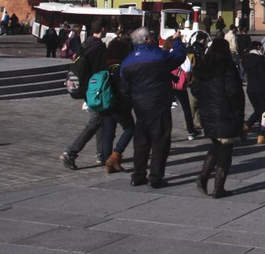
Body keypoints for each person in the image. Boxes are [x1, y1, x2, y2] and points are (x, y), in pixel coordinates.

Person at [120, 27, 186, 188]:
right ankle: (155, 177)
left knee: (141, 143)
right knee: (160, 141)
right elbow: (178, 57)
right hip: (159, 104)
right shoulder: (157, 55)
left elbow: (124, 89)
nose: (154, 37)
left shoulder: (127, 61)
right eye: (151, 35)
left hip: (140, 107)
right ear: (146, 39)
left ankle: (138, 175)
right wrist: (177, 41)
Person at [194, 38, 245, 198]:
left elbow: (195, 90)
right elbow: (233, 92)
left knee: (217, 144)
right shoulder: (227, 67)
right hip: (225, 113)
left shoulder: (203, 67)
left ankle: (203, 177)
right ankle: (218, 188)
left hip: (208, 113)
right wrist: (239, 113)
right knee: (226, 150)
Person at [60, 19, 110, 171]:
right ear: (102, 29)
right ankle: (71, 152)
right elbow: (100, 70)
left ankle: (102, 154)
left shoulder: (85, 44)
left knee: (100, 119)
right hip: (95, 89)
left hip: (85, 88)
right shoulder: (99, 47)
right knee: (95, 122)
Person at [101, 36, 135, 173]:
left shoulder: (105, 64)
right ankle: (116, 154)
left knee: (108, 133)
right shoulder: (124, 67)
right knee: (130, 128)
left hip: (105, 103)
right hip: (120, 104)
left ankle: (106, 159)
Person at [241, 41, 265, 145]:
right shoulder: (260, 59)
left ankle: (246, 127)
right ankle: (261, 135)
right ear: (258, 47)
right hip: (261, 88)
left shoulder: (245, 59)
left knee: (258, 111)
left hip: (251, 88)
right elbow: (264, 76)